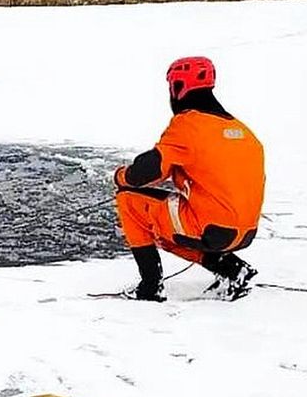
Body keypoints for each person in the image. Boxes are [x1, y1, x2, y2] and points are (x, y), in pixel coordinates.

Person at [113, 56, 265, 301]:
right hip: (245, 231)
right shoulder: (243, 132)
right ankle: (233, 270)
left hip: (210, 228)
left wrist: (122, 176)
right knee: (167, 223)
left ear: (178, 88)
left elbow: (148, 171)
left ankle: (150, 286)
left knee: (129, 200)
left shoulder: (188, 124)